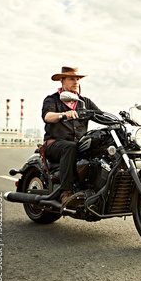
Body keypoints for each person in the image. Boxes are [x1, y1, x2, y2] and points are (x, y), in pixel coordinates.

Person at [41, 66, 100, 208]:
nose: (76, 82)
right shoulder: (52, 99)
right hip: (55, 145)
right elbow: (47, 116)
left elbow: (100, 115)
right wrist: (63, 114)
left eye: (78, 79)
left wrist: (125, 121)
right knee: (70, 146)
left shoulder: (84, 102)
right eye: (72, 79)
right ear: (62, 80)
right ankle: (66, 193)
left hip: (78, 146)